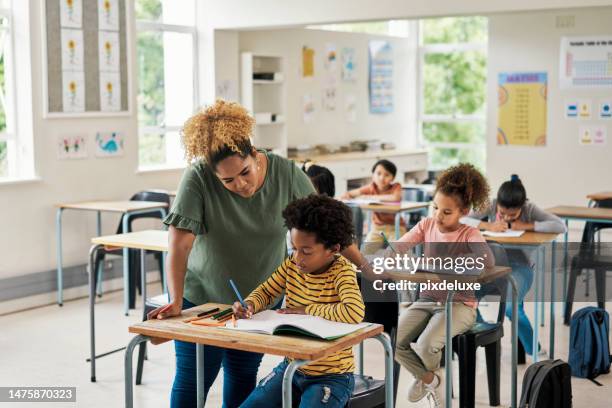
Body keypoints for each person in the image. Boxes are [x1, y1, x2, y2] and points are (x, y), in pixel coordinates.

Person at [147, 100, 316, 408]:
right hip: (203, 298)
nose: (239, 184)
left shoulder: (285, 173)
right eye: (227, 180)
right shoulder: (197, 177)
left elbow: (322, 224)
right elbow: (180, 245)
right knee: (194, 377)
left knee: (242, 374)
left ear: (255, 155)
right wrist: (175, 298)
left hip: (257, 299)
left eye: (244, 172)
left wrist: (358, 270)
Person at [234, 194, 365, 408]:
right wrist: (249, 304)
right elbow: (267, 291)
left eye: (305, 251)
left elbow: (353, 311)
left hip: (332, 376)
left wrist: (308, 309)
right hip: (291, 368)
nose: (296, 257)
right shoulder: (292, 266)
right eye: (294, 248)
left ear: (333, 249)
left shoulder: (342, 271)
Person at [392, 163, 494, 406]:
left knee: (427, 345)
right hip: (427, 299)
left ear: (464, 211)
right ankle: (431, 380)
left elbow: (487, 261)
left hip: (459, 305)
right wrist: (388, 251)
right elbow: (399, 246)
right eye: (435, 207)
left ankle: (429, 384)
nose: (438, 215)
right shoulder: (426, 225)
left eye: (447, 212)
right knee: (392, 339)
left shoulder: (469, 234)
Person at [461, 174, 566, 356]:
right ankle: (483, 330)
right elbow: (463, 220)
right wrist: (487, 225)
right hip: (490, 266)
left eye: (513, 214)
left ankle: (534, 349)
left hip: (520, 267)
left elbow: (560, 226)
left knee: (511, 308)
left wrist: (527, 225)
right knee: (464, 298)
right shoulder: (491, 204)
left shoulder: (529, 208)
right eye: (503, 213)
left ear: (522, 206)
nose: (507, 217)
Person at [341, 159, 403, 243]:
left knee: (396, 251)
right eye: (378, 174)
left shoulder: (396, 187)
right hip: (377, 228)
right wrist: (348, 195)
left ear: (393, 177)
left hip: (396, 227)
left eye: (387, 175)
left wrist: (371, 197)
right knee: (365, 250)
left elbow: (395, 198)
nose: (382, 178)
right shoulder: (371, 187)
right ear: (373, 175)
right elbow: (352, 193)